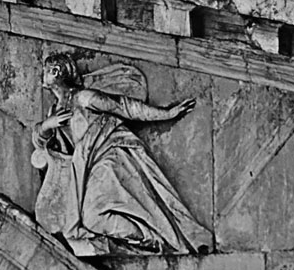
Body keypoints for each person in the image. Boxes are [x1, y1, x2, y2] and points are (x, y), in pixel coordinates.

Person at [29, 53, 212, 255]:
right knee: (92, 219)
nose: (41, 75)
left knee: (92, 216)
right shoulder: (55, 110)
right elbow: (40, 140)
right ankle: (144, 240)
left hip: (108, 155)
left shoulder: (83, 97)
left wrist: (166, 113)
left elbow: (125, 107)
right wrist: (48, 124)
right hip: (85, 166)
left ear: (55, 72)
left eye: (45, 70)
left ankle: (153, 238)